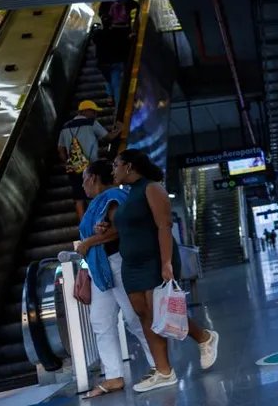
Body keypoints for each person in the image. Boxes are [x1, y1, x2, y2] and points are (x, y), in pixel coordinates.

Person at [107, 149, 219, 393]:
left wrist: (166, 262)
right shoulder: (128, 195)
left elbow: (164, 225)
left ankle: (204, 338)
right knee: (144, 314)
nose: (112, 170)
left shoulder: (152, 188)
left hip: (154, 260)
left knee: (161, 312)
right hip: (132, 265)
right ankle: (164, 371)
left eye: (115, 165)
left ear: (128, 166)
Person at [75, 160, 156, 398]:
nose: (83, 185)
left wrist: (89, 242)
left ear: (92, 178)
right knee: (100, 320)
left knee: (134, 317)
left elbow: (120, 229)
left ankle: (157, 365)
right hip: (100, 268)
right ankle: (113, 376)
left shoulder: (113, 197)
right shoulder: (98, 204)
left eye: (84, 179)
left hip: (118, 263)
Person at [58, 101, 122, 219]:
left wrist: (67, 162)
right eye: (93, 111)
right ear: (84, 111)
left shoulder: (65, 127)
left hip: (74, 167)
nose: (95, 114)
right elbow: (108, 138)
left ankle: (84, 224)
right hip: (91, 166)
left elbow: (61, 149)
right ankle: (101, 219)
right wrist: (119, 129)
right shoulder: (91, 123)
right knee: (97, 191)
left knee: (78, 197)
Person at [93, 0, 138, 107]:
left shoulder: (98, 34)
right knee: (116, 84)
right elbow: (124, 44)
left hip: (104, 63)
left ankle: (110, 97)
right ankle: (119, 107)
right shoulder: (117, 34)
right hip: (116, 61)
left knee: (108, 79)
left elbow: (96, 43)